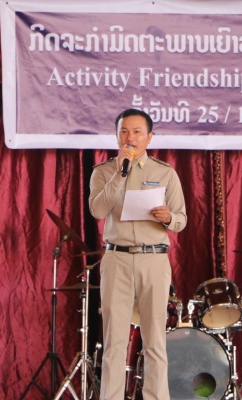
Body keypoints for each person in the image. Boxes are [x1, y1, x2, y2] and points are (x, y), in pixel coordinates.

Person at [89, 108, 187, 400]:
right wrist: (121, 174)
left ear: (149, 137)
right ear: (116, 136)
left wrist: (168, 217)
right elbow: (98, 210)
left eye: (136, 132)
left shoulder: (164, 172)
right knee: (114, 342)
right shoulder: (103, 172)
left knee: (155, 340)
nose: (129, 138)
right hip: (116, 258)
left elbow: (181, 219)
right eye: (123, 132)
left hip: (153, 259)